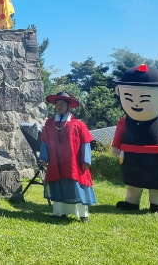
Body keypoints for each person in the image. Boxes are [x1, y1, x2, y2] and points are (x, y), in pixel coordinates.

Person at [111, 64, 158, 213]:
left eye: (145, 99)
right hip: (132, 156)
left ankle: (157, 205)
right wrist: (115, 146)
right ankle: (131, 202)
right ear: (119, 92)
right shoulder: (125, 120)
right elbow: (119, 133)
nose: (136, 103)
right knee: (133, 183)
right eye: (129, 98)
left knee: (157, 183)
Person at [39, 91, 96, 221]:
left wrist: (86, 160)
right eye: (57, 103)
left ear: (68, 106)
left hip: (74, 162)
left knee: (77, 186)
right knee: (58, 185)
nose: (59, 106)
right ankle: (59, 212)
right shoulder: (49, 123)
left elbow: (85, 143)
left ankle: (82, 214)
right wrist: (44, 157)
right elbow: (45, 141)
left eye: (62, 103)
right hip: (56, 161)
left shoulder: (78, 124)